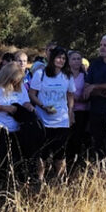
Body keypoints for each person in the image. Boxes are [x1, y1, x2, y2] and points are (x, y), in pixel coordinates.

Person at [28, 47, 76, 183]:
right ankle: (40, 180)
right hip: (43, 119)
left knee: (60, 153)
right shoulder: (40, 74)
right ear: (52, 58)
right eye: (59, 57)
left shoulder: (67, 76)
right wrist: (43, 106)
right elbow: (32, 94)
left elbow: (70, 95)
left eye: (64, 58)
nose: (61, 61)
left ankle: (60, 181)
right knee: (42, 152)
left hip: (61, 120)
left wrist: (70, 113)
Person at [0, 64, 33, 192]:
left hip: (15, 129)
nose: (16, 82)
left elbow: (25, 100)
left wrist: (28, 106)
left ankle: (10, 186)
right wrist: (4, 108)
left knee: (14, 159)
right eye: (14, 79)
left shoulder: (20, 87)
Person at [66, 50, 90, 166]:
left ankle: (78, 164)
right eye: (73, 59)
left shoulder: (85, 76)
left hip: (81, 111)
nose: (76, 61)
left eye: (78, 59)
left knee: (78, 139)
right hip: (66, 112)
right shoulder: (64, 76)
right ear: (69, 61)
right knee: (68, 139)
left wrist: (74, 97)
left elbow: (87, 94)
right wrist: (70, 96)